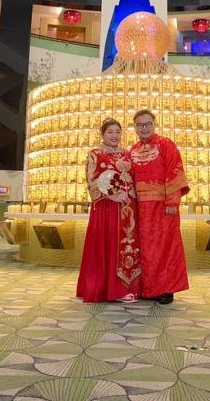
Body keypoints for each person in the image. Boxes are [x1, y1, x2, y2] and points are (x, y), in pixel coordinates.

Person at [76, 118, 141, 303]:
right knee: (109, 245)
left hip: (129, 209)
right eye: (110, 132)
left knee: (128, 247)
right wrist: (112, 196)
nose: (115, 136)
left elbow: (134, 179)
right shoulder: (95, 155)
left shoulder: (128, 154)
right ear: (103, 134)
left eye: (117, 132)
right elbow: (91, 182)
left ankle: (130, 287)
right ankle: (112, 289)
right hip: (107, 209)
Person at [130, 109, 189, 304]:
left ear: (154, 125)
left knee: (166, 247)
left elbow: (175, 170)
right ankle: (148, 290)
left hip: (163, 207)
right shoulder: (133, 150)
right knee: (145, 250)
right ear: (135, 127)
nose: (144, 128)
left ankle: (166, 289)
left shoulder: (166, 144)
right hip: (140, 208)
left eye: (147, 124)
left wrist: (172, 200)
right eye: (140, 125)